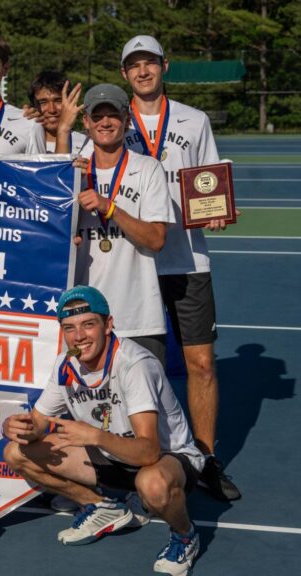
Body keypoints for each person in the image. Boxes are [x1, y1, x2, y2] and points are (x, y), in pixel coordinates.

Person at [3, 285, 204, 576]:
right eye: (69, 328)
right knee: (16, 453)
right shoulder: (66, 365)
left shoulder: (135, 365)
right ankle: (101, 506)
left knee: (152, 485)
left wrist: (95, 436)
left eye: (88, 324)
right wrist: (16, 427)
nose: (79, 336)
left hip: (166, 458)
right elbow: (38, 423)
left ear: (108, 325)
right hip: (111, 454)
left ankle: (185, 535)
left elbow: (149, 451)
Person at [120, 35, 240, 501]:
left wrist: (218, 209)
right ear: (125, 73)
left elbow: (210, 178)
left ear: (164, 66)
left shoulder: (194, 120)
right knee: (136, 368)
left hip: (189, 259)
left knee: (202, 363)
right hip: (135, 262)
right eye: (134, 65)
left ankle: (204, 458)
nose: (143, 71)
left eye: (150, 63)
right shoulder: (111, 118)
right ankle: (139, 457)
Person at [72, 83, 174, 364]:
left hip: (139, 317)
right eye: (97, 116)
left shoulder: (148, 168)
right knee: (87, 407)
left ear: (126, 119)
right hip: (83, 318)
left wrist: (111, 207)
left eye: (113, 115)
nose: (105, 122)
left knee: (145, 405)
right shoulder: (71, 173)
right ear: (86, 122)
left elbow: (156, 239)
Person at [25, 70, 92, 157]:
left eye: (58, 101)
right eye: (43, 102)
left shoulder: (87, 143)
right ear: (33, 105)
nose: (52, 110)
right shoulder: (22, 141)